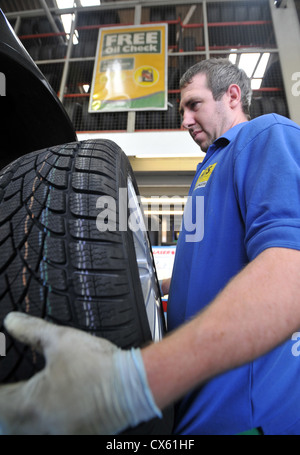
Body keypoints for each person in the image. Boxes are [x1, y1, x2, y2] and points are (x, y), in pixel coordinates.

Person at [1, 58, 300, 435]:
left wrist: (130, 384)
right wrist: (156, 286)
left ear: (233, 96)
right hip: (190, 410)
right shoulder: (210, 167)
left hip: (245, 416)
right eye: (181, 111)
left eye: (194, 105)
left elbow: (292, 271)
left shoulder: (267, 135)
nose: (185, 121)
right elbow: (222, 262)